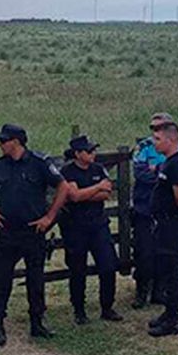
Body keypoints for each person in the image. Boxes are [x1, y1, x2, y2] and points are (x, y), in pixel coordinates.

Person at [0, 123, 68, 346]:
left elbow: (63, 186)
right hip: (7, 231)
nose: (0, 145)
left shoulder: (39, 163)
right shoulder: (0, 166)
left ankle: (37, 322)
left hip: (33, 230)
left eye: (3, 141)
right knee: (1, 278)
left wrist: (49, 217)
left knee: (35, 278)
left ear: (16, 141)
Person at [59, 134, 123, 324]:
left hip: (98, 224)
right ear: (78, 154)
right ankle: (79, 310)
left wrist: (86, 192)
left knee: (108, 265)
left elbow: (106, 194)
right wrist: (96, 187)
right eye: (89, 151)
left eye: (94, 150)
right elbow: (74, 196)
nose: (93, 154)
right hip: (75, 226)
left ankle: (107, 307)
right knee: (77, 269)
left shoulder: (98, 168)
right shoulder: (67, 172)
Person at [129, 113, 178, 308]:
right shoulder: (144, 146)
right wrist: (163, 174)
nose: (154, 131)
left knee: (167, 254)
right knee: (143, 252)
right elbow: (140, 173)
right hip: (144, 208)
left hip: (169, 211)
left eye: (159, 128)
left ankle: (161, 292)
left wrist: (159, 170)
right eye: (153, 127)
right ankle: (142, 290)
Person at [147, 122, 178, 337]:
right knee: (165, 267)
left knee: (171, 269)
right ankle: (168, 312)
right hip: (163, 221)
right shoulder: (169, 162)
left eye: (158, 139)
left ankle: (173, 318)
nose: (154, 143)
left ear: (171, 140)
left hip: (171, 223)